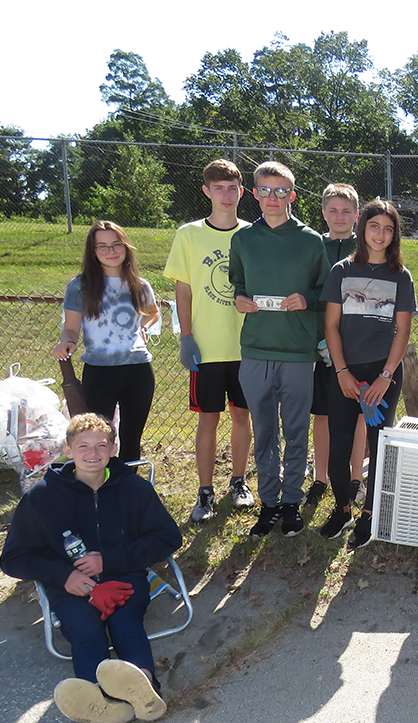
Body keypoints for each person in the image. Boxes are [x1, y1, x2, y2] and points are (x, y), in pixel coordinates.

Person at [0, 413, 180, 723]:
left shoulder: (133, 489)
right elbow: (13, 558)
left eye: (101, 445)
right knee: (85, 632)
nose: (92, 453)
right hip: (72, 587)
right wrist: (62, 575)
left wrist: (108, 561)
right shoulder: (41, 497)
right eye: (83, 446)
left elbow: (167, 537)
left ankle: (147, 691)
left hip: (124, 575)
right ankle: (102, 704)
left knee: (126, 624)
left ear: (113, 449)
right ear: (68, 451)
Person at [229, 161, 330, 537]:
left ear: (293, 194)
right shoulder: (243, 239)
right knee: (265, 430)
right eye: (266, 191)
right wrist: (240, 299)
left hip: (297, 352)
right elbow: (237, 284)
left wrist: (306, 298)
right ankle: (268, 503)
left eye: (282, 191)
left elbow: (324, 291)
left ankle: (291, 502)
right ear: (254, 194)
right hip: (256, 349)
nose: (274, 198)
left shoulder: (309, 240)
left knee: (296, 429)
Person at [163, 158, 254, 523]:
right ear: (206, 191)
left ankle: (239, 481)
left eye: (232, 188)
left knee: (242, 416)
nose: (226, 194)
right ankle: (204, 491)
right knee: (208, 420)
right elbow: (182, 290)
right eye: (219, 188)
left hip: (247, 346)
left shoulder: (252, 233)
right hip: (207, 346)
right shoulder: (189, 234)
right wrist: (187, 336)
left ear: (241, 192)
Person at [320, 199, 416, 546]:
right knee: (339, 448)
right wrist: (342, 372)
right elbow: (331, 325)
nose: (381, 234)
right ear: (363, 227)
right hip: (345, 373)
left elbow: (402, 331)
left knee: (379, 446)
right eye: (375, 226)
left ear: (395, 235)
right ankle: (343, 509)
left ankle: (370, 514)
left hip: (383, 375)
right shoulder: (342, 271)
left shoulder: (400, 276)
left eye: (389, 229)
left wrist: (385, 377)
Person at [53, 221, 159, 463]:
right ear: (93, 252)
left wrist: (143, 327)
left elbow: (152, 313)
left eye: (116, 244)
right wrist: (66, 343)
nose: (111, 251)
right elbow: (70, 329)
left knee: (132, 438)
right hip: (99, 371)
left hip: (138, 369)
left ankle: (125, 487)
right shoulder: (79, 286)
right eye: (102, 246)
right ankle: (98, 487)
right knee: (98, 438)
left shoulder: (141, 286)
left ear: (126, 247)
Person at [305, 183, 362, 513]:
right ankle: (321, 477)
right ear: (323, 213)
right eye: (333, 210)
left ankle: (356, 477)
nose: (339, 217)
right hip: (320, 348)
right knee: (323, 415)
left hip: (355, 348)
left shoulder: (365, 246)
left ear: (356, 214)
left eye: (346, 211)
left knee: (356, 417)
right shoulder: (314, 246)